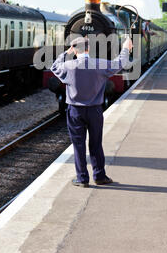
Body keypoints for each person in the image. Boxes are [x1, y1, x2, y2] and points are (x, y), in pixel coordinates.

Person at [51, 36, 132, 187]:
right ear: (89, 49)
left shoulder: (68, 66)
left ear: (75, 49)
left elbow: (54, 66)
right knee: (96, 143)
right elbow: (121, 62)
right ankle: (99, 176)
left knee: (78, 145)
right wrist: (126, 47)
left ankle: (82, 178)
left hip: (75, 111)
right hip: (95, 110)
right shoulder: (100, 64)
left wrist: (67, 53)